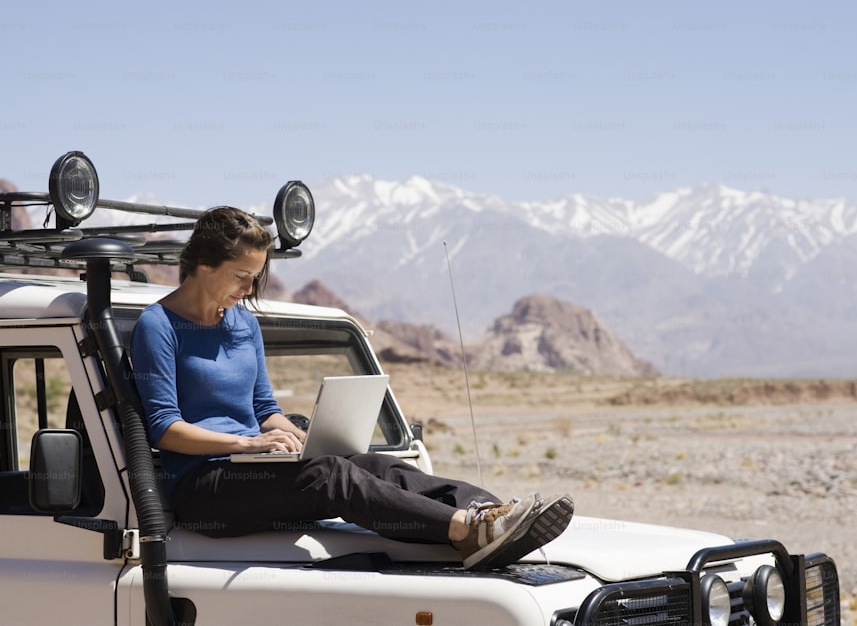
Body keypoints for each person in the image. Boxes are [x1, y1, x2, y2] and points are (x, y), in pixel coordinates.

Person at [129, 206, 574, 570]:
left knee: (374, 465)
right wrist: (248, 442)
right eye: (240, 275)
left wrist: (301, 438)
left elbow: (265, 405)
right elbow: (164, 429)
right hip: (202, 485)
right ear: (203, 265)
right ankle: (463, 529)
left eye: (256, 277)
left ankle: (494, 515)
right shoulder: (160, 325)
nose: (249, 289)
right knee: (331, 476)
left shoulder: (242, 322)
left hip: (251, 464)